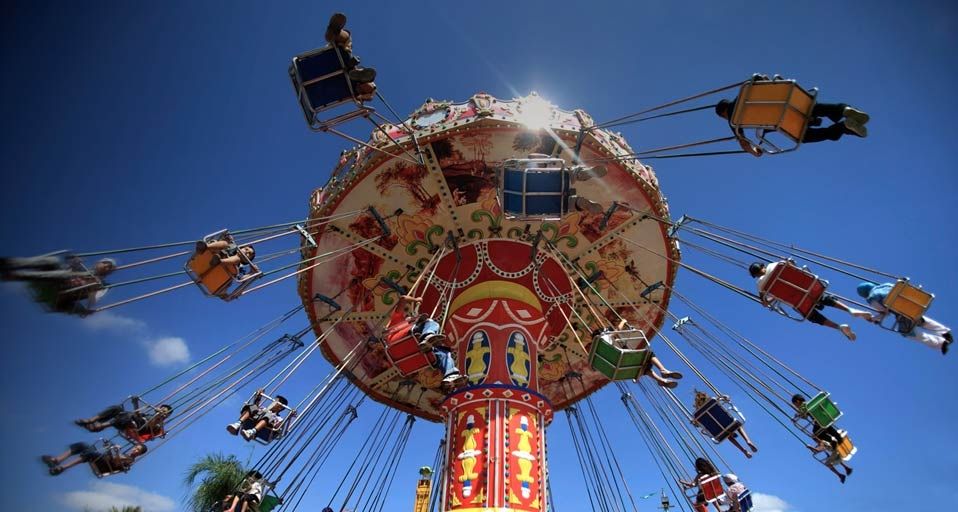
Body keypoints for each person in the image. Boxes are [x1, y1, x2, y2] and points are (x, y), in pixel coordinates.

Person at [715, 79, 869, 156]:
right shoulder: (746, 91)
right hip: (789, 101)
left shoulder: (734, 119)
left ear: (723, 113)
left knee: (805, 136)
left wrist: (755, 152)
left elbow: (744, 143)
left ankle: (842, 128)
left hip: (785, 121)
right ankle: (844, 110)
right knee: (814, 108)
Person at [749, 261, 870, 341]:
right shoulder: (777, 264)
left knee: (811, 316)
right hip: (810, 289)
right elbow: (792, 264)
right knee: (823, 297)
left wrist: (772, 298)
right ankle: (850, 309)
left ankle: (839, 327)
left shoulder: (761, 285)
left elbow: (764, 303)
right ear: (762, 266)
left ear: (756, 274)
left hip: (800, 302)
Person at [856, 281, 953, 355]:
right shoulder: (888, 285)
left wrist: (874, 319)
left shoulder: (872, 298)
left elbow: (885, 312)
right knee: (918, 318)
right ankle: (944, 331)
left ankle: (940, 343)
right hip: (916, 304)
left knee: (906, 332)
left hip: (902, 313)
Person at [1, 255, 116, 315]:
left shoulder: (102, 284)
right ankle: (9, 262)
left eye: (109, 267)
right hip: (58, 281)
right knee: (53, 260)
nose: (106, 266)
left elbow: (93, 300)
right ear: (98, 263)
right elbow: (68, 264)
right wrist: (73, 261)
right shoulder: (81, 268)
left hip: (64, 294)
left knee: (63, 273)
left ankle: (15, 275)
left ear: (110, 272)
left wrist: (94, 287)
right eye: (105, 263)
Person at [392, 294, 464, 387]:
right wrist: (416, 299)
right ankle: (428, 336)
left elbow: (403, 299)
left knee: (445, 354)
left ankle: (450, 376)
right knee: (431, 322)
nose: (409, 318)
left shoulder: (404, 324)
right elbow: (403, 298)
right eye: (408, 318)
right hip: (402, 339)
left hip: (406, 352)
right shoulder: (397, 320)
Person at [791, 394, 854, 483]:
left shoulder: (803, 406)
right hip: (825, 419)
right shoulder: (811, 403)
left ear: (797, 401)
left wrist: (796, 415)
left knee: (816, 432)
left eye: (795, 404)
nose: (795, 406)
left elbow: (804, 416)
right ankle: (837, 439)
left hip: (818, 422)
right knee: (829, 429)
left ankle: (832, 441)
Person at [324, 12, 377, 102]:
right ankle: (336, 32)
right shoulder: (348, 94)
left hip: (335, 65)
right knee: (372, 89)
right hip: (344, 70)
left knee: (345, 42)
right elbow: (368, 97)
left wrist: (361, 100)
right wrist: (362, 99)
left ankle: (335, 32)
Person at [75, 397, 173, 444]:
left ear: (166, 415)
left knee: (128, 418)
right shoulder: (147, 414)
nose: (160, 411)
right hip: (126, 421)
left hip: (134, 428)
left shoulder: (159, 425)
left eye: (163, 411)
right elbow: (137, 414)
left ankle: (98, 427)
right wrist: (135, 403)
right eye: (161, 408)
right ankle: (91, 420)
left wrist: (159, 416)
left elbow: (153, 426)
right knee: (117, 409)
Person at [692, 390, 758, 459]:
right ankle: (748, 440)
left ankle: (743, 450)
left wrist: (694, 422)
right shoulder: (713, 401)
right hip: (727, 422)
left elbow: (696, 424)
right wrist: (724, 397)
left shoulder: (697, 414)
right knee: (737, 425)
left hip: (718, 431)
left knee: (727, 436)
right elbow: (727, 398)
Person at [42, 441, 146, 477]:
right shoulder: (125, 455)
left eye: (138, 450)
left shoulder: (130, 460)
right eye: (136, 447)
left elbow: (115, 462)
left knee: (90, 454)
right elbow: (111, 458)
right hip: (104, 460)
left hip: (104, 467)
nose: (135, 450)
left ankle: (62, 467)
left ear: (139, 454)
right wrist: (109, 448)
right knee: (82, 445)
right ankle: (56, 460)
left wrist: (116, 451)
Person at [226, 390, 290, 442]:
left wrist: (289, 417)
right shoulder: (263, 408)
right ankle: (238, 424)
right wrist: (258, 396)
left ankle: (252, 432)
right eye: (273, 401)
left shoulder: (279, 418)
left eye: (275, 402)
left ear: (280, 407)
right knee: (253, 407)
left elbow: (278, 428)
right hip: (252, 421)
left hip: (265, 430)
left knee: (269, 415)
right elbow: (255, 407)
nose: (272, 402)